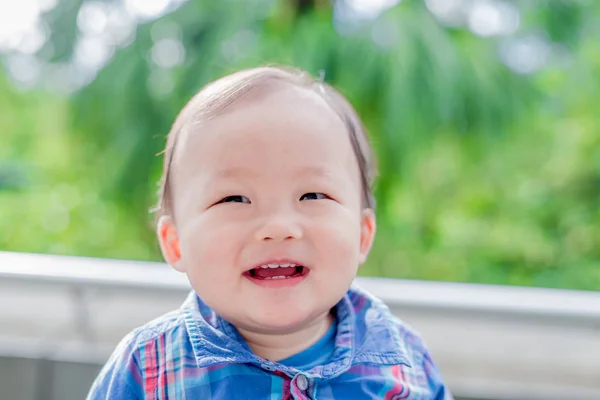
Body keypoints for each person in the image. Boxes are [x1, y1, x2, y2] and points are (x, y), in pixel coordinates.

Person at [87, 66, 453, 399]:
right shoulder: (148, 370)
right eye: (234, 198)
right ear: (176, 242)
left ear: (362, 233)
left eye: (313, 194)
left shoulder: (405, 361)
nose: (278, 227)